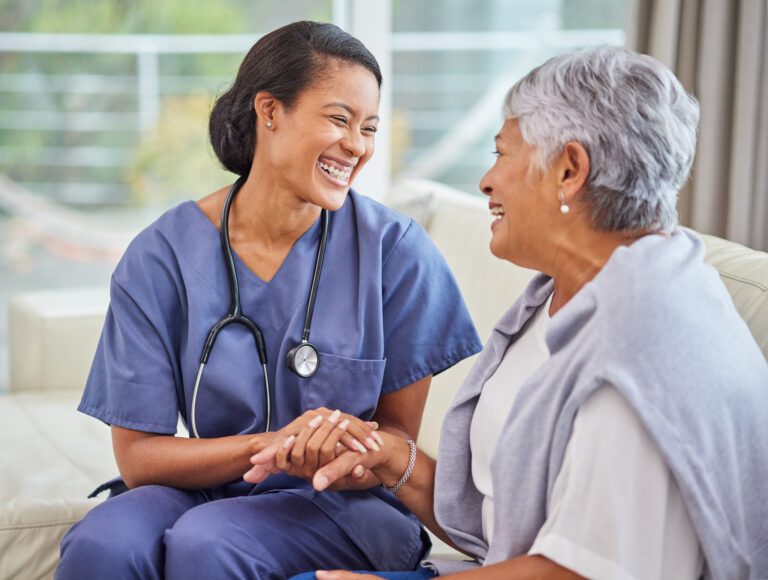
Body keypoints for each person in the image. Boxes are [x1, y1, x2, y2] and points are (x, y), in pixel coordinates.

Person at [257, 47, 768, 579]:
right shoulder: (562, 297)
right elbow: (503, 519)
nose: (486, 181)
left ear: (569, 170)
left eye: (502, 154)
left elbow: (583, 572)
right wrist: (389, 459)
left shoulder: (640, 352)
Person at [56, 21, 482, 579]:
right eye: (338, 119)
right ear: (270, 111)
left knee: (210, 544)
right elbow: (139, 458)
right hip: (209, 489)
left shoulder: (394, 252)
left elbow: (396, 438)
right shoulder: (162, 256)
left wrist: (345, 452)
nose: (356, 146)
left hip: (343, 507)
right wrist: (271, 445)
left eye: (368, 127)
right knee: (103, 544)